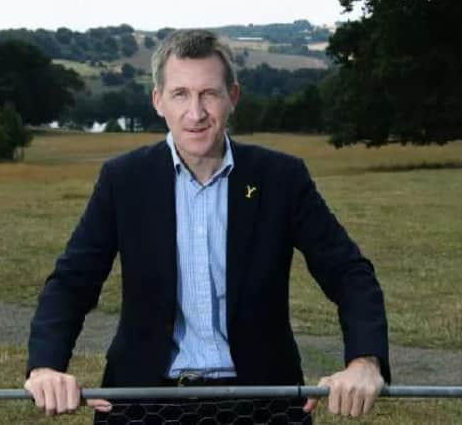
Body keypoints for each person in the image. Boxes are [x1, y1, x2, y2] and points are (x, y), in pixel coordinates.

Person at [25, 29, 390, 423]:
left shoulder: (281, 177)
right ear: (158, 101)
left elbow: (348, 273)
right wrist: (45, 367)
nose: (195, 113)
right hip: (145, 401)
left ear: (232, 97)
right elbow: (72, 282)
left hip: (262, 401)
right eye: (180, 94)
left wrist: (364, 360)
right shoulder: (123, 179)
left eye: (209, 94)